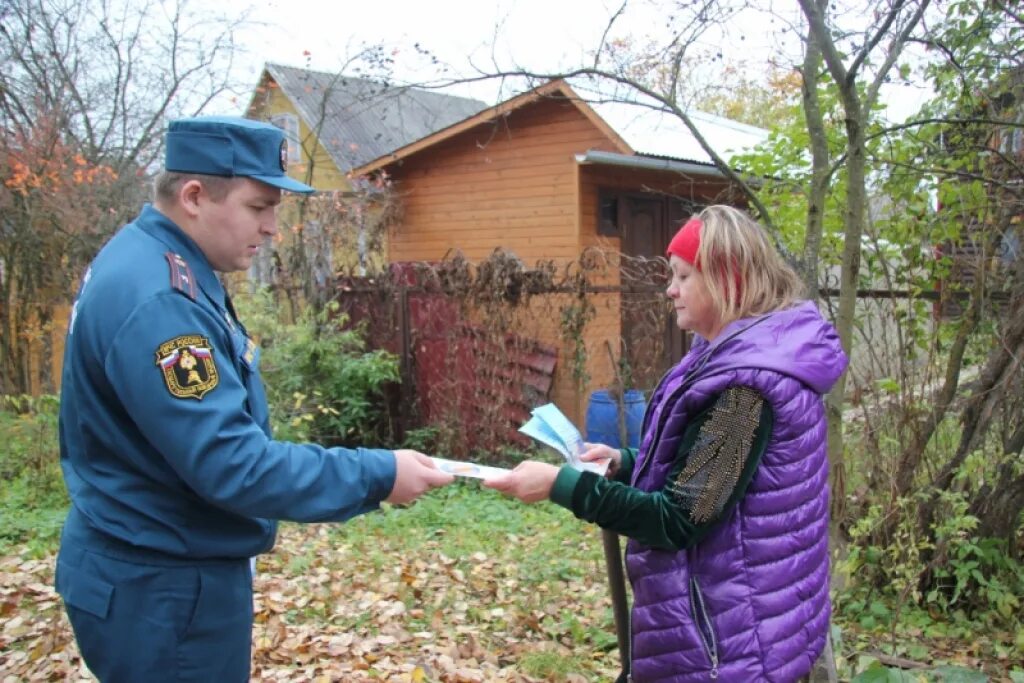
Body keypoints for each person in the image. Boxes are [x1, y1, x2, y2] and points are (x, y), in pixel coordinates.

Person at [55, 116, 454, 682]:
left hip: (150, 566)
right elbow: (231, 464)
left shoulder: (147, 258)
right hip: (162, 590)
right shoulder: (162, 303)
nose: (271, 228)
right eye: (258, 207)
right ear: (194, 196)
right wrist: (378, 474)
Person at [485, 205, 848, 682]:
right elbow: (705, 475)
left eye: (683, 276)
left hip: (727, 644)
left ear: (726, 280)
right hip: (734, 621)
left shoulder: (745, 392)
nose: (670, 290)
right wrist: (624, 462)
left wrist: (561, 485)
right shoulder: (730, 358)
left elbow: (679, 518)